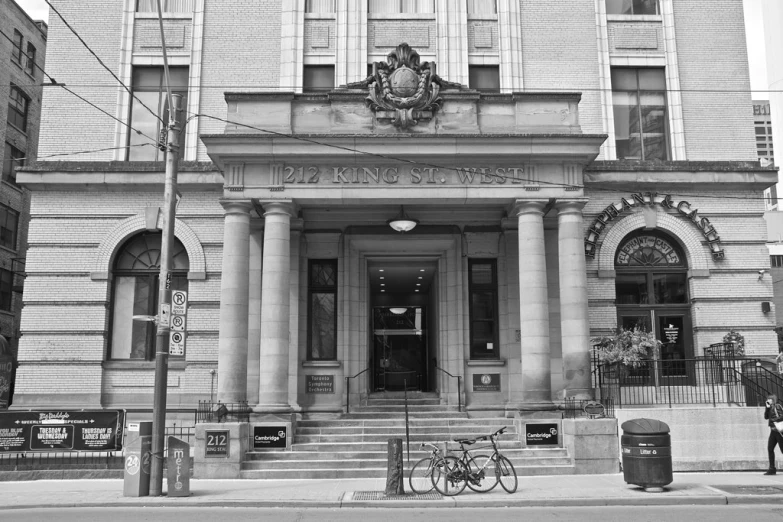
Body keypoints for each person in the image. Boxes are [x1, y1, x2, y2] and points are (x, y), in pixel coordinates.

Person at [764, 394, 783, 475]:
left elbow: (782, 416)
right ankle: (772, 468)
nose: (768, 400)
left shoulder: (777, 406)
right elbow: (766, 417)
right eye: (768, 399)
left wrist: (774, 420)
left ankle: (772, 469)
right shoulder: (769, 408)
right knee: (770, 448)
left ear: (773, 400)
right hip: (773, 431)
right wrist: (767, 408)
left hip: (779, 431)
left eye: (770, 399)